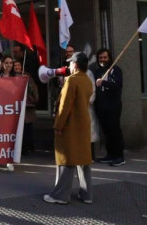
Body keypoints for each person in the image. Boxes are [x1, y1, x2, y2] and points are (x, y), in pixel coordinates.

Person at [44, 52, 93, 205]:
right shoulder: (87, 80)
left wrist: (58, 125)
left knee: (66, 159)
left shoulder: (72, 80)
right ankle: (86, 195)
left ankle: (60, 195)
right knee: (84, 160)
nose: (69, 65)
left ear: (75, 65)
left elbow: (64, 107)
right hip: (83, 124)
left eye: (70, 63)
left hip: (70, 125)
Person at [93, 48, 124, 166]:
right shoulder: (98, 71)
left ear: (109, 58)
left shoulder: (116, 70)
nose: (103, 60)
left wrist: (104, 83)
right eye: (100, 58)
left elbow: (118, 86)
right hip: (102, 107)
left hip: (113, 106)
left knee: (115, 131)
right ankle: (110, 155)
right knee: (107, 132)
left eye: (105, 57)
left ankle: (119, 157)